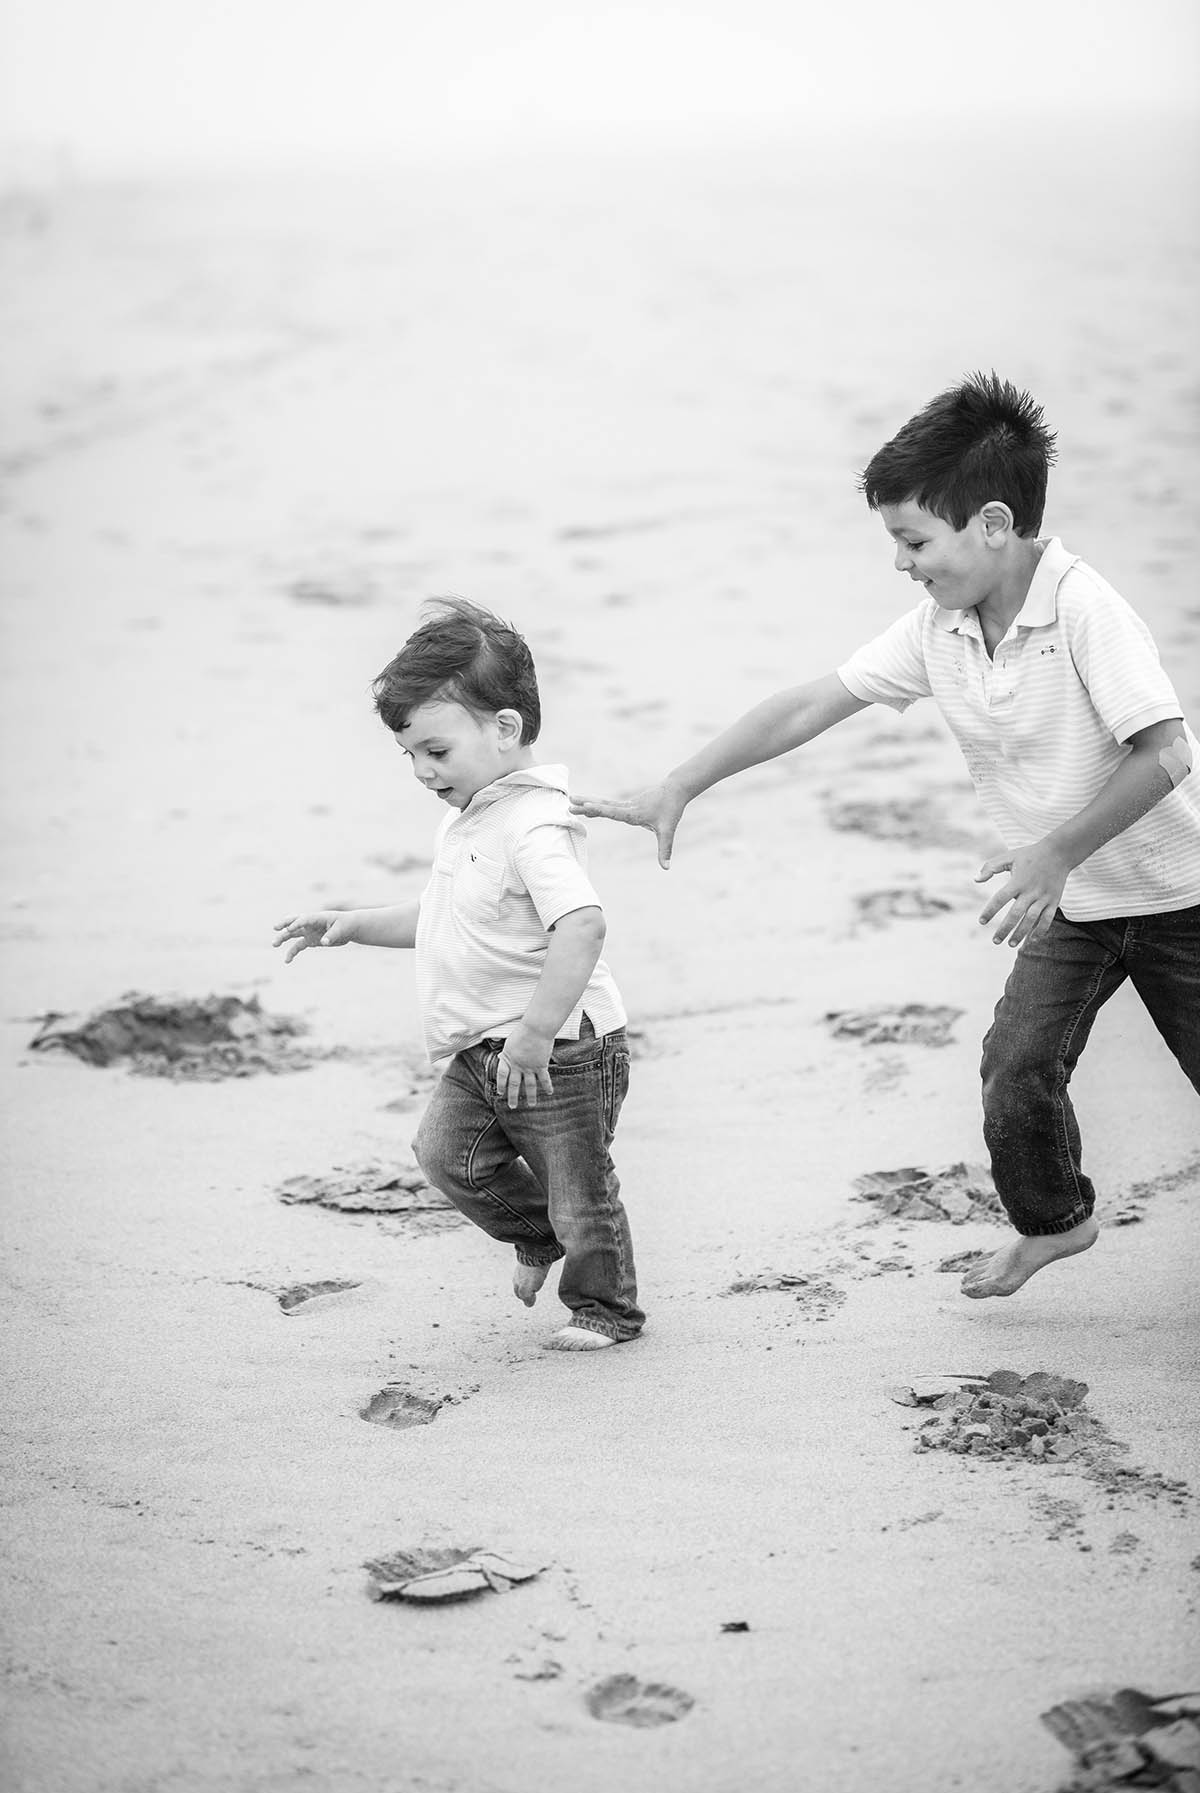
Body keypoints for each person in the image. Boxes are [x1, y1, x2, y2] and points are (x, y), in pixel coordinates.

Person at [572, 372, 1200, 1301]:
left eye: (914, 541)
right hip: (1069, 907)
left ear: (993, 524)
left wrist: (1056, 850)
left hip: (1175, 897)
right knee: (1014, 1069)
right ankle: (1057, 1223)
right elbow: (810, 706)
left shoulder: (1086, 613)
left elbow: (1168, 754)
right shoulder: (942, 626)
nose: (904, 564)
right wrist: (682, 785)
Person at [274, 599, 643, 1352]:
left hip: (559, 1053)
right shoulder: (473, 816)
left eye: (436, 750)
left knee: (581, 1188)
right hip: (481, 1048)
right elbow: (444, 914)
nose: (421, 770)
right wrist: (351, 924)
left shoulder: (533, 824)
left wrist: (536, 1036)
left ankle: (606, 1308)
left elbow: (582, 924)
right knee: (447, 1158)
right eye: (409, 754)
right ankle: (537, 1237)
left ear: (503, 728)